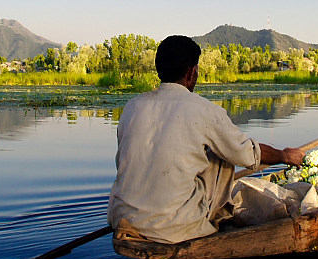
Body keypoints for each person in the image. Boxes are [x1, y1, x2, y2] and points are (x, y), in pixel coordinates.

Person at [107, 35, 305, 244]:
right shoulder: (204, 110)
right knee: (223, 152)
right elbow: (247, 154)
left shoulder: (132, 107)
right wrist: (285, 155)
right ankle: (213, 218)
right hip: (171, 228)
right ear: (192, 72)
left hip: (123, 219)